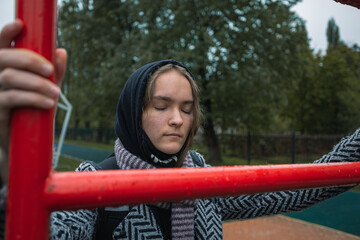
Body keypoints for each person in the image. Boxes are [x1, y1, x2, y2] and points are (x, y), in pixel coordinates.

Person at [0, 20, 359, 240]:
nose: (177, 119)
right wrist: (7, 170)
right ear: (133, 113)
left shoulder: (203, 180)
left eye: (187, 109)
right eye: (161, 106)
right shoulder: (94, 185)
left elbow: (295, 190)